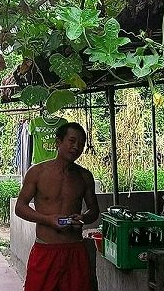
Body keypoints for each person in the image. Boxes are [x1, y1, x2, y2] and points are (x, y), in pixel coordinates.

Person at [15, 122, 100, 291]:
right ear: (58, 142)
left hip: (75, 250)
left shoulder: (85, 176)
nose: (76, 147)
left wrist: (82, 218)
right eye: (72, 141)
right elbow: (20, 207)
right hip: (45, 250)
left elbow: (94, 211)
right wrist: (48, 220)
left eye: (81, 143)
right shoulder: (37, 172)